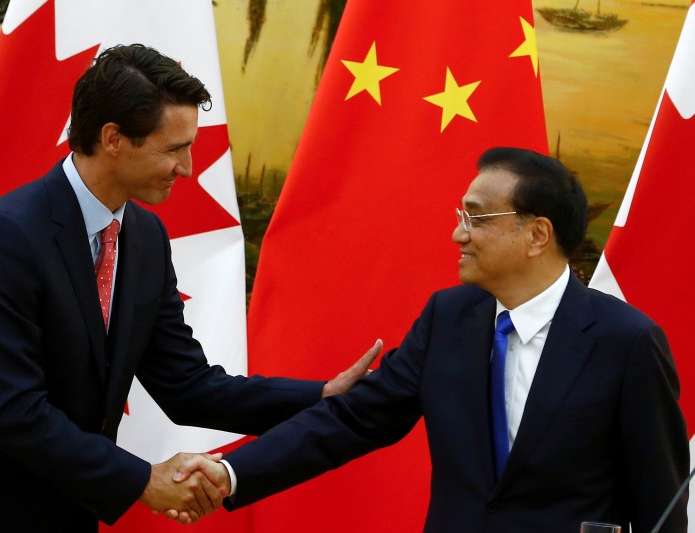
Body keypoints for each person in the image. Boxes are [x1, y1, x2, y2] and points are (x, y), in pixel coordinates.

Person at [0, 44, 380, 532]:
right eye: (173, 149)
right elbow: (12, 412)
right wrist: (144, 480)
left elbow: (187, 385)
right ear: (113, 138)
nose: (187, 168)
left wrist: (321, 396)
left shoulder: (146, 239)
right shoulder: (9, 235)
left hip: (60, 510)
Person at [178, 147, 689, 532]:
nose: (457, 235)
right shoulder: (449, 318)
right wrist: (230, 473)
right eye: (460, 216)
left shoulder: (627, 342)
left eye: (477, 217)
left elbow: (660, 499)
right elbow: (355, 419)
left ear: (537, 235)